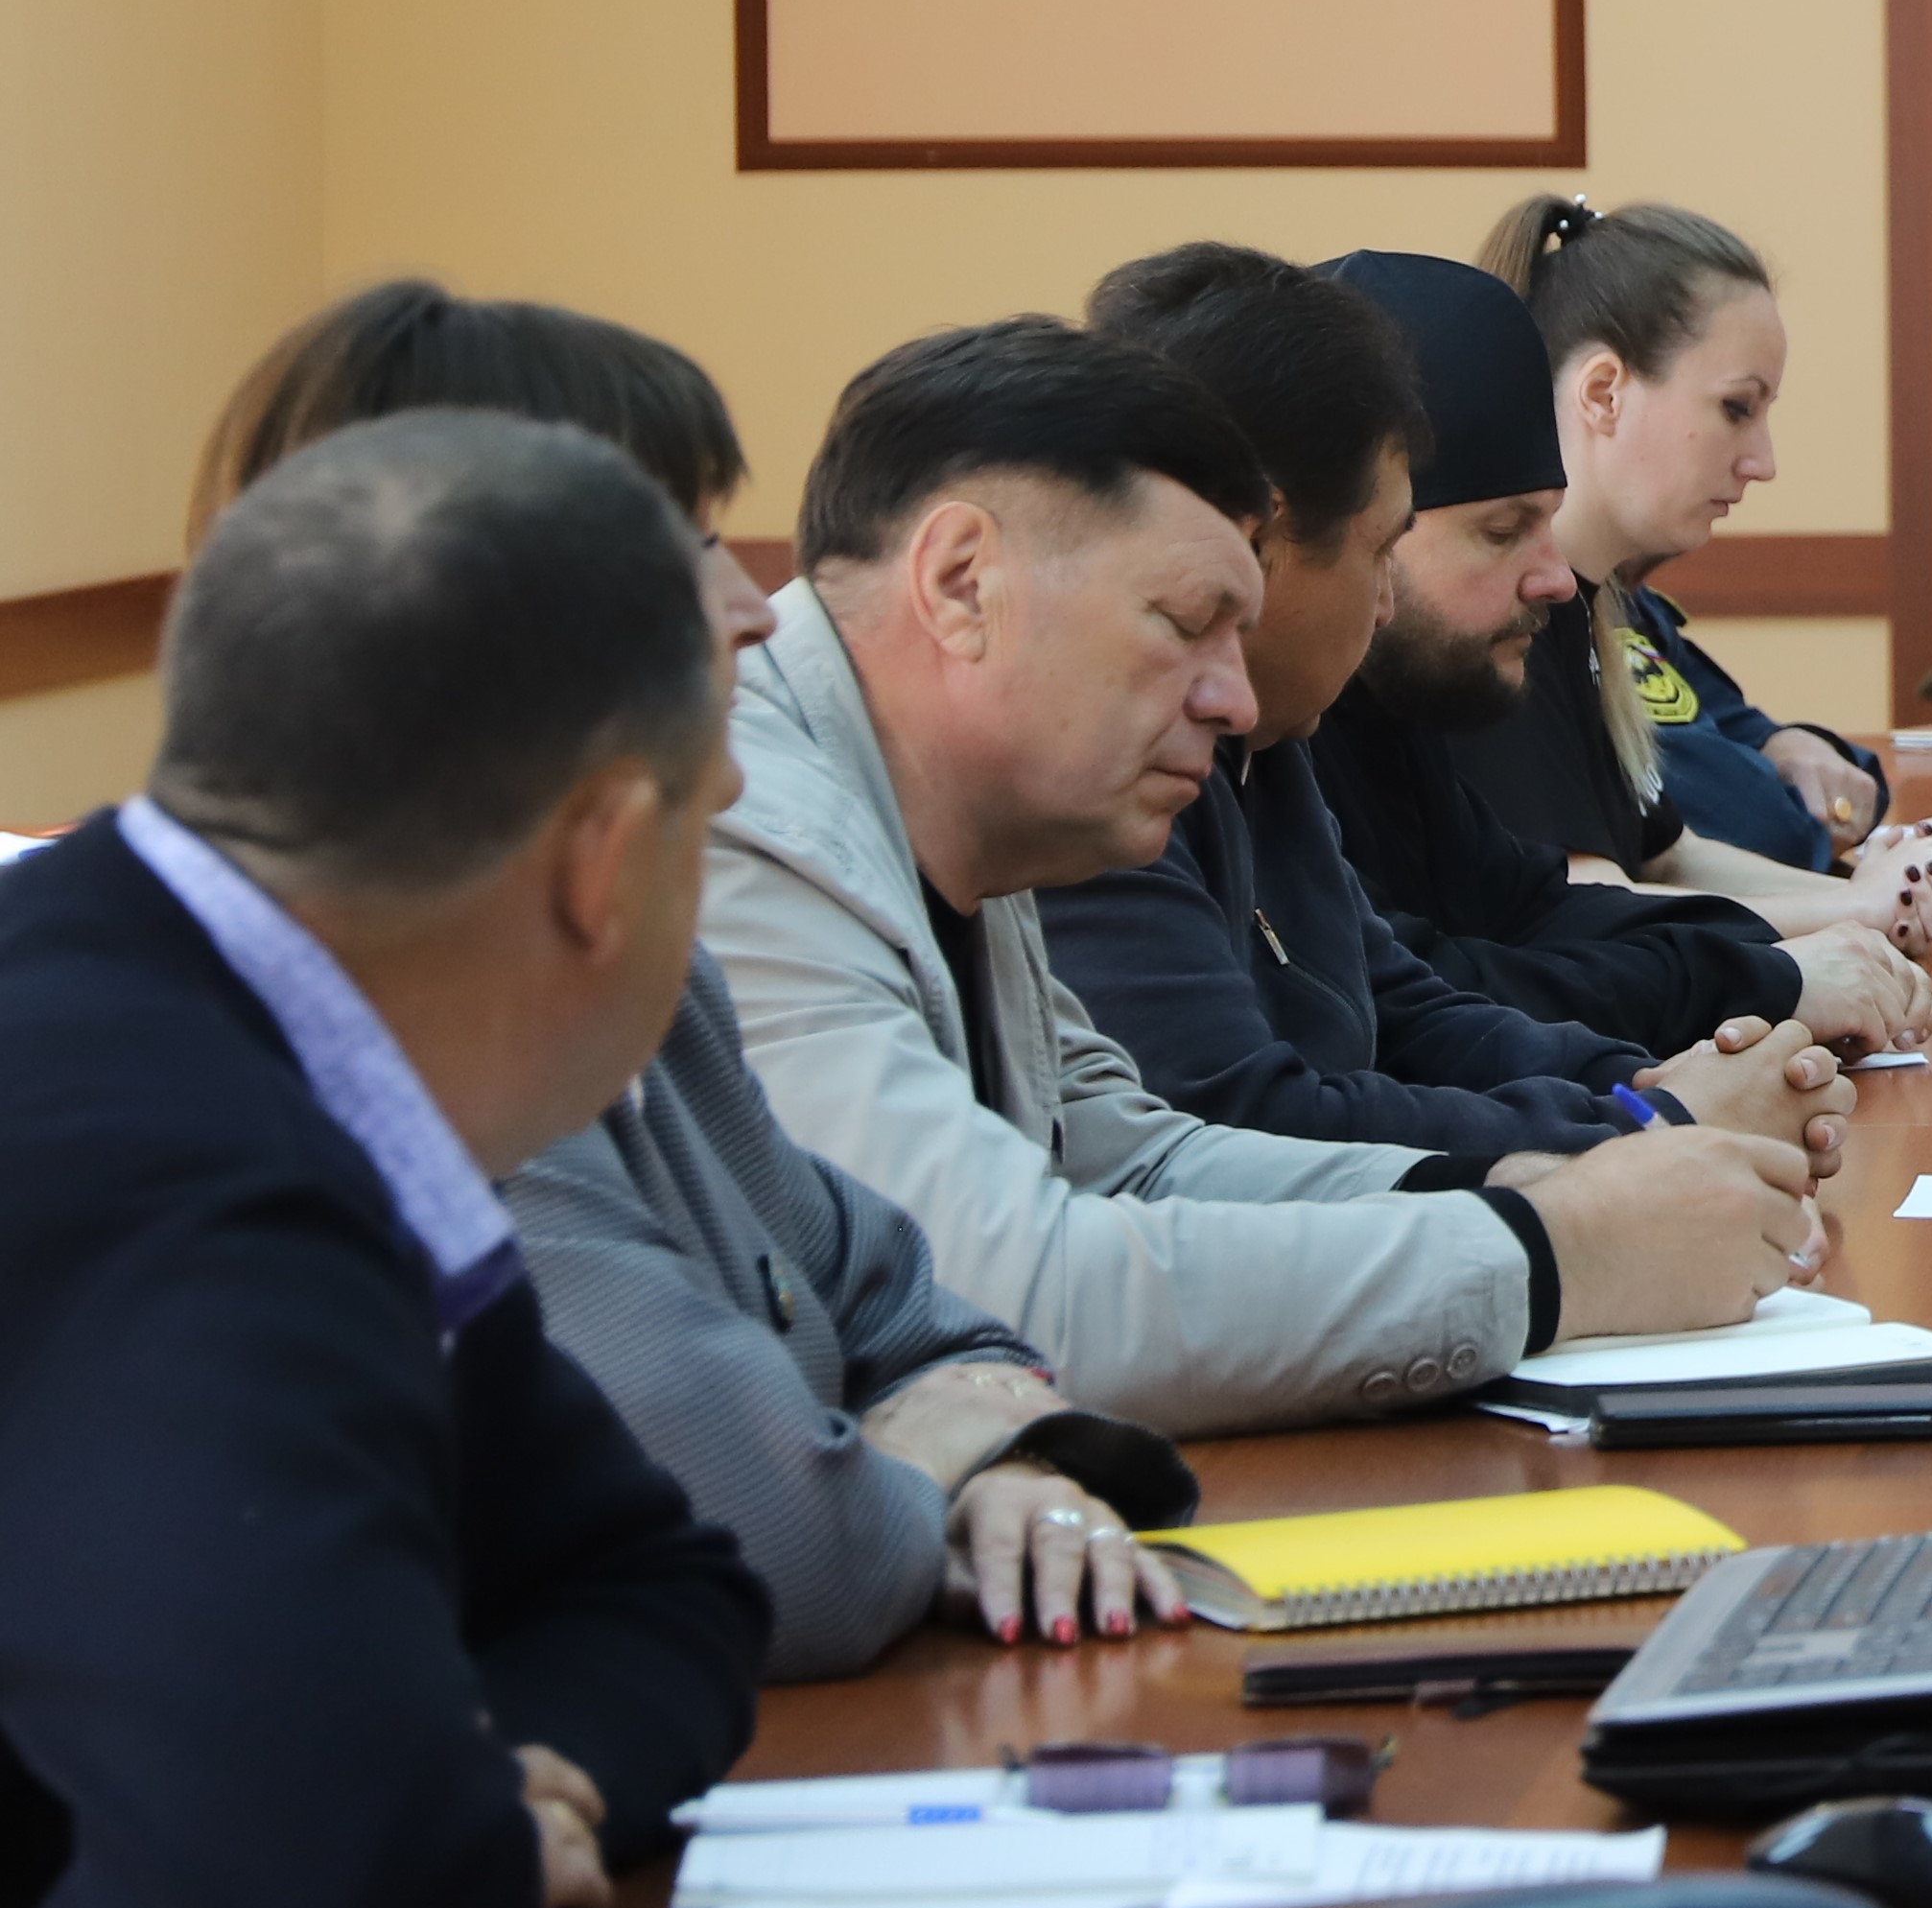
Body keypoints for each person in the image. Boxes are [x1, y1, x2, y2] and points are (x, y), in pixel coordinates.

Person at [199, 281, 1189, 1671]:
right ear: (483, 594)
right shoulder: (420, 1028)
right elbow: (785, 1544)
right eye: (687, 537)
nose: (750, 602)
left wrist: (973, 1441)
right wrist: (918, 1472)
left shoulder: (639, 965)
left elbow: (907, 1295)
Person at [0, 414, 765, 1908]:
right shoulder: (183, 1168)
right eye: (708, 825)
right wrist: (438, 1828)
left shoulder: (235, 1037)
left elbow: (661, 1590)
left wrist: (463, 1785)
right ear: (605, 857)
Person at [705, 319, 1843, 1436]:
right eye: (1185, 624)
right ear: (961, 583)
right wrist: (1557, 1256)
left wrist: (1572, 1179)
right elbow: (1010, 1289)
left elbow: (1141, 1160)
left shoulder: (966, 793)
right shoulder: (744, 820)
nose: (1235, 702)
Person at [1048, 245, 1903, 1156]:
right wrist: (1646, 1120)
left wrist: (1646, 1087)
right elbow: (1242, 1121)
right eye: (1498, 531)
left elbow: (1409, 1002)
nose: (1555, 580)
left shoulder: (1273, 740)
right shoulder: (1098, 765)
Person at [1306, 248, 1932, 1054]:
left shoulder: (1409, 691)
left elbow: (1545, 910)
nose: (1553, 580)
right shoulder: (1320, 718)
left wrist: (1818, 941)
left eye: (1546, 525)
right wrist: (1776, 974)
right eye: (1503, 532)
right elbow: (1424, 1003)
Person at [1465, 200, 1932, 924]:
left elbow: (1670, 854)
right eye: (1735, 408)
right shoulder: (1497, 613)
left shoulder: (1587, 605)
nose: (1763, 462)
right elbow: (1591, 907)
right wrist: (1859, 910)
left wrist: (1879, 896)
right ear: (1603, 393)